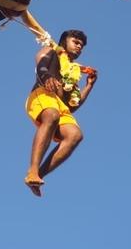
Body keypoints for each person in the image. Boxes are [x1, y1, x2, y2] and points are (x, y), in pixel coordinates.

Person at [24, 29, 97, 197]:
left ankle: (37, 177)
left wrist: (89, 86)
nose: (79, 46)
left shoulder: (73, 71)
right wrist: (47, 76)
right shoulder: (53, 50)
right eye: (76, 42)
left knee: (75, 134)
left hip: (60, 105)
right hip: (42, 94)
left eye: (82, 45)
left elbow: (72, 105)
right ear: (64, 41)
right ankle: (33, 170)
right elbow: (40, 62)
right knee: (52, 114)